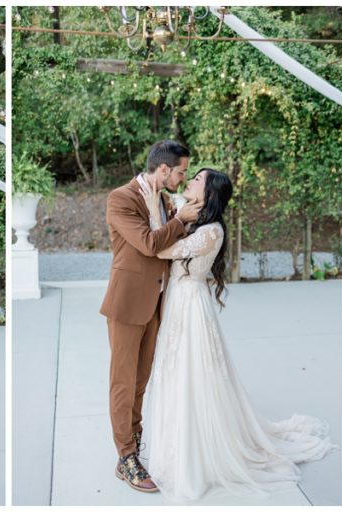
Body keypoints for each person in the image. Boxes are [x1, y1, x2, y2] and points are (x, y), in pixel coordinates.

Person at [140, 168, 334, 501]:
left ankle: (197, 450)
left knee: (194, 374)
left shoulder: (211, 232)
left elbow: (161, 251)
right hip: (178, 301)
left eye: (197, 180)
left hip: (191, 306)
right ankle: (175, 441)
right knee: (174, 371)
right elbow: (171, 212)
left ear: (210, 194)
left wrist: (156, 212)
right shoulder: (193, 222)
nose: (190, 181)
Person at [100, 140, 202, 492]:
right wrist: (181, 220)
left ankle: (135, 443)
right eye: (181, 171)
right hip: (127, 304)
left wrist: (183, 218)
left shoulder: (160, 198)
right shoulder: (121, 198)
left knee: (141, 381)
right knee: (123, 382)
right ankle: (126, 457)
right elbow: (147, 243)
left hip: (156, 302)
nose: (182, 177)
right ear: (163, 169)